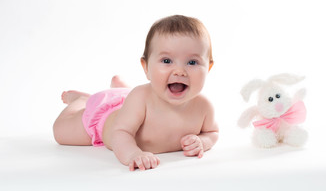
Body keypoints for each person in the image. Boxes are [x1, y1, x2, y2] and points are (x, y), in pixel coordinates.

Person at [53, 15, 219, 171]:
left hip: (128, 102)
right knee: (60, 132)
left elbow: (212, 133)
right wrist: (133, 154)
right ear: (146, 67)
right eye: (167, 61)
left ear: (208, 68)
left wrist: (202, 142)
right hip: (104, 119)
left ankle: (120, 88)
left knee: (128, 98)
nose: (180, 71)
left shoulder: (204, 106)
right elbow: (120, 132)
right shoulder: (141, 98)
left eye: (192, 62)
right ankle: (81, 101)